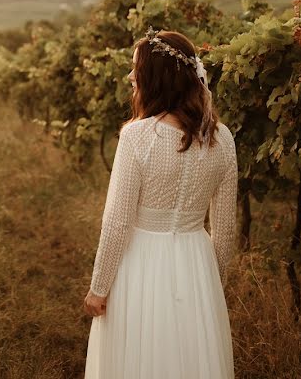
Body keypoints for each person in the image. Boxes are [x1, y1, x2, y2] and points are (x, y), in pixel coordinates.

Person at [83, 28, 237, 378]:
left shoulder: (137, 137)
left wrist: (99, 287)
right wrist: (213, 282)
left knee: (139, 356)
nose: (131, 77)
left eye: (136, 69)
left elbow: (118, 222)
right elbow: (225, 227)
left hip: (142, 264)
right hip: (196, 261)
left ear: (155, 78)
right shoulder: (222, 138)